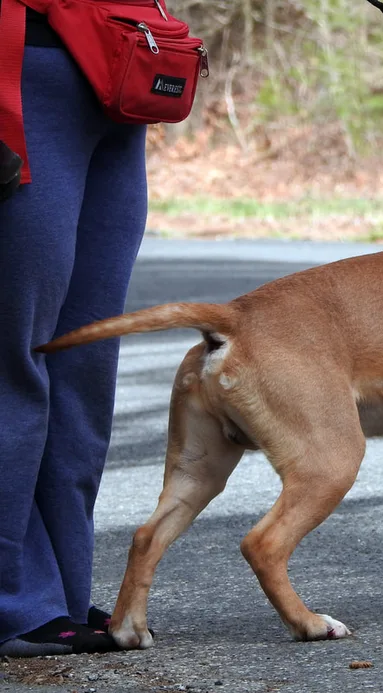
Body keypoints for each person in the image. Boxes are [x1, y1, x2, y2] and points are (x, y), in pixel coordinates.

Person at [0, 3, 149, 656]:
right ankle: (14, 598)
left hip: (118, 73)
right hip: (15, 77)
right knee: (14, 357)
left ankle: (60, 590)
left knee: (83, 359)